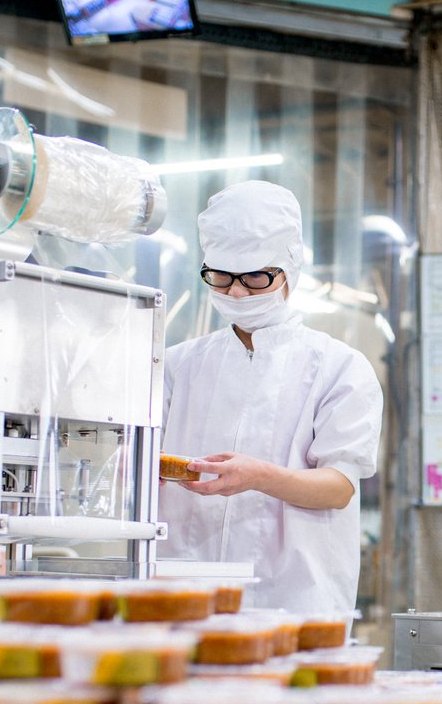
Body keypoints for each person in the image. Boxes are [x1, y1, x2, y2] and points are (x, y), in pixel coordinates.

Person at [159, 181, 383, 613]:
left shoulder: (339, 368)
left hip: (294, 600)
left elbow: (338, 487)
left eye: (256, 277)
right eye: (221, 277)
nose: (237, 293)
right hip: (186, 596)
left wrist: (259, 476)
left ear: (290, 269)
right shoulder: (176, 366)